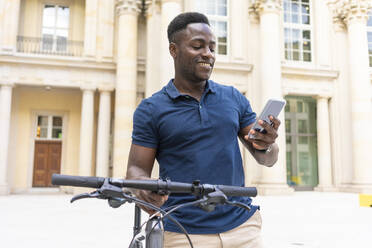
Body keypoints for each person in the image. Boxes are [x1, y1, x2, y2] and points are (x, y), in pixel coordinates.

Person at [126, 12, 281, 248]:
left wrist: (267, 144)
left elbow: (266, 158)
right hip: (181, 233)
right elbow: (136, 169)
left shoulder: (233, 97)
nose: (208, 53)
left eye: (211, 47)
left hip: (243, 228)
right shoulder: (151, 109)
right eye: (197, 46)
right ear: (173, 50)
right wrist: (144, 191)